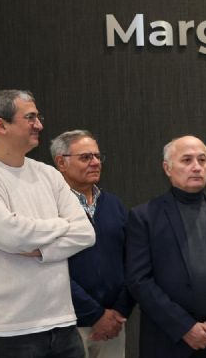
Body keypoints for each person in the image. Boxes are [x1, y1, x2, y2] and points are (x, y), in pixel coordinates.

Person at [0, 89, 95, 358]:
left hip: (63, 326)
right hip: (10, 332)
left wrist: (42, 251)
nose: (39, 125)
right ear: (1, 125)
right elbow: (10, 235)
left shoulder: (48, 174)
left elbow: (85, 233)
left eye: (38, 117)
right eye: (30, 117)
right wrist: (62, 224)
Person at [126, 135, 206, 358]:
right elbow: (139, 280)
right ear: (167, 168)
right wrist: (184, 327)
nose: (196, 167)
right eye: (186, 160)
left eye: (202, 160)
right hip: (168, 339)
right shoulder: (145, 216)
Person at [50, 130, 136, 358]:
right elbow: (48, 268)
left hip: (114, 323)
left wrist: (119, 311)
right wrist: (96, 314)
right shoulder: (49, 208)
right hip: (67, 324)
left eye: (98, 156)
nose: (96, 162)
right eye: (86, 157)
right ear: (61, 162)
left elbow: (133, 260)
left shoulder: (113, 204)